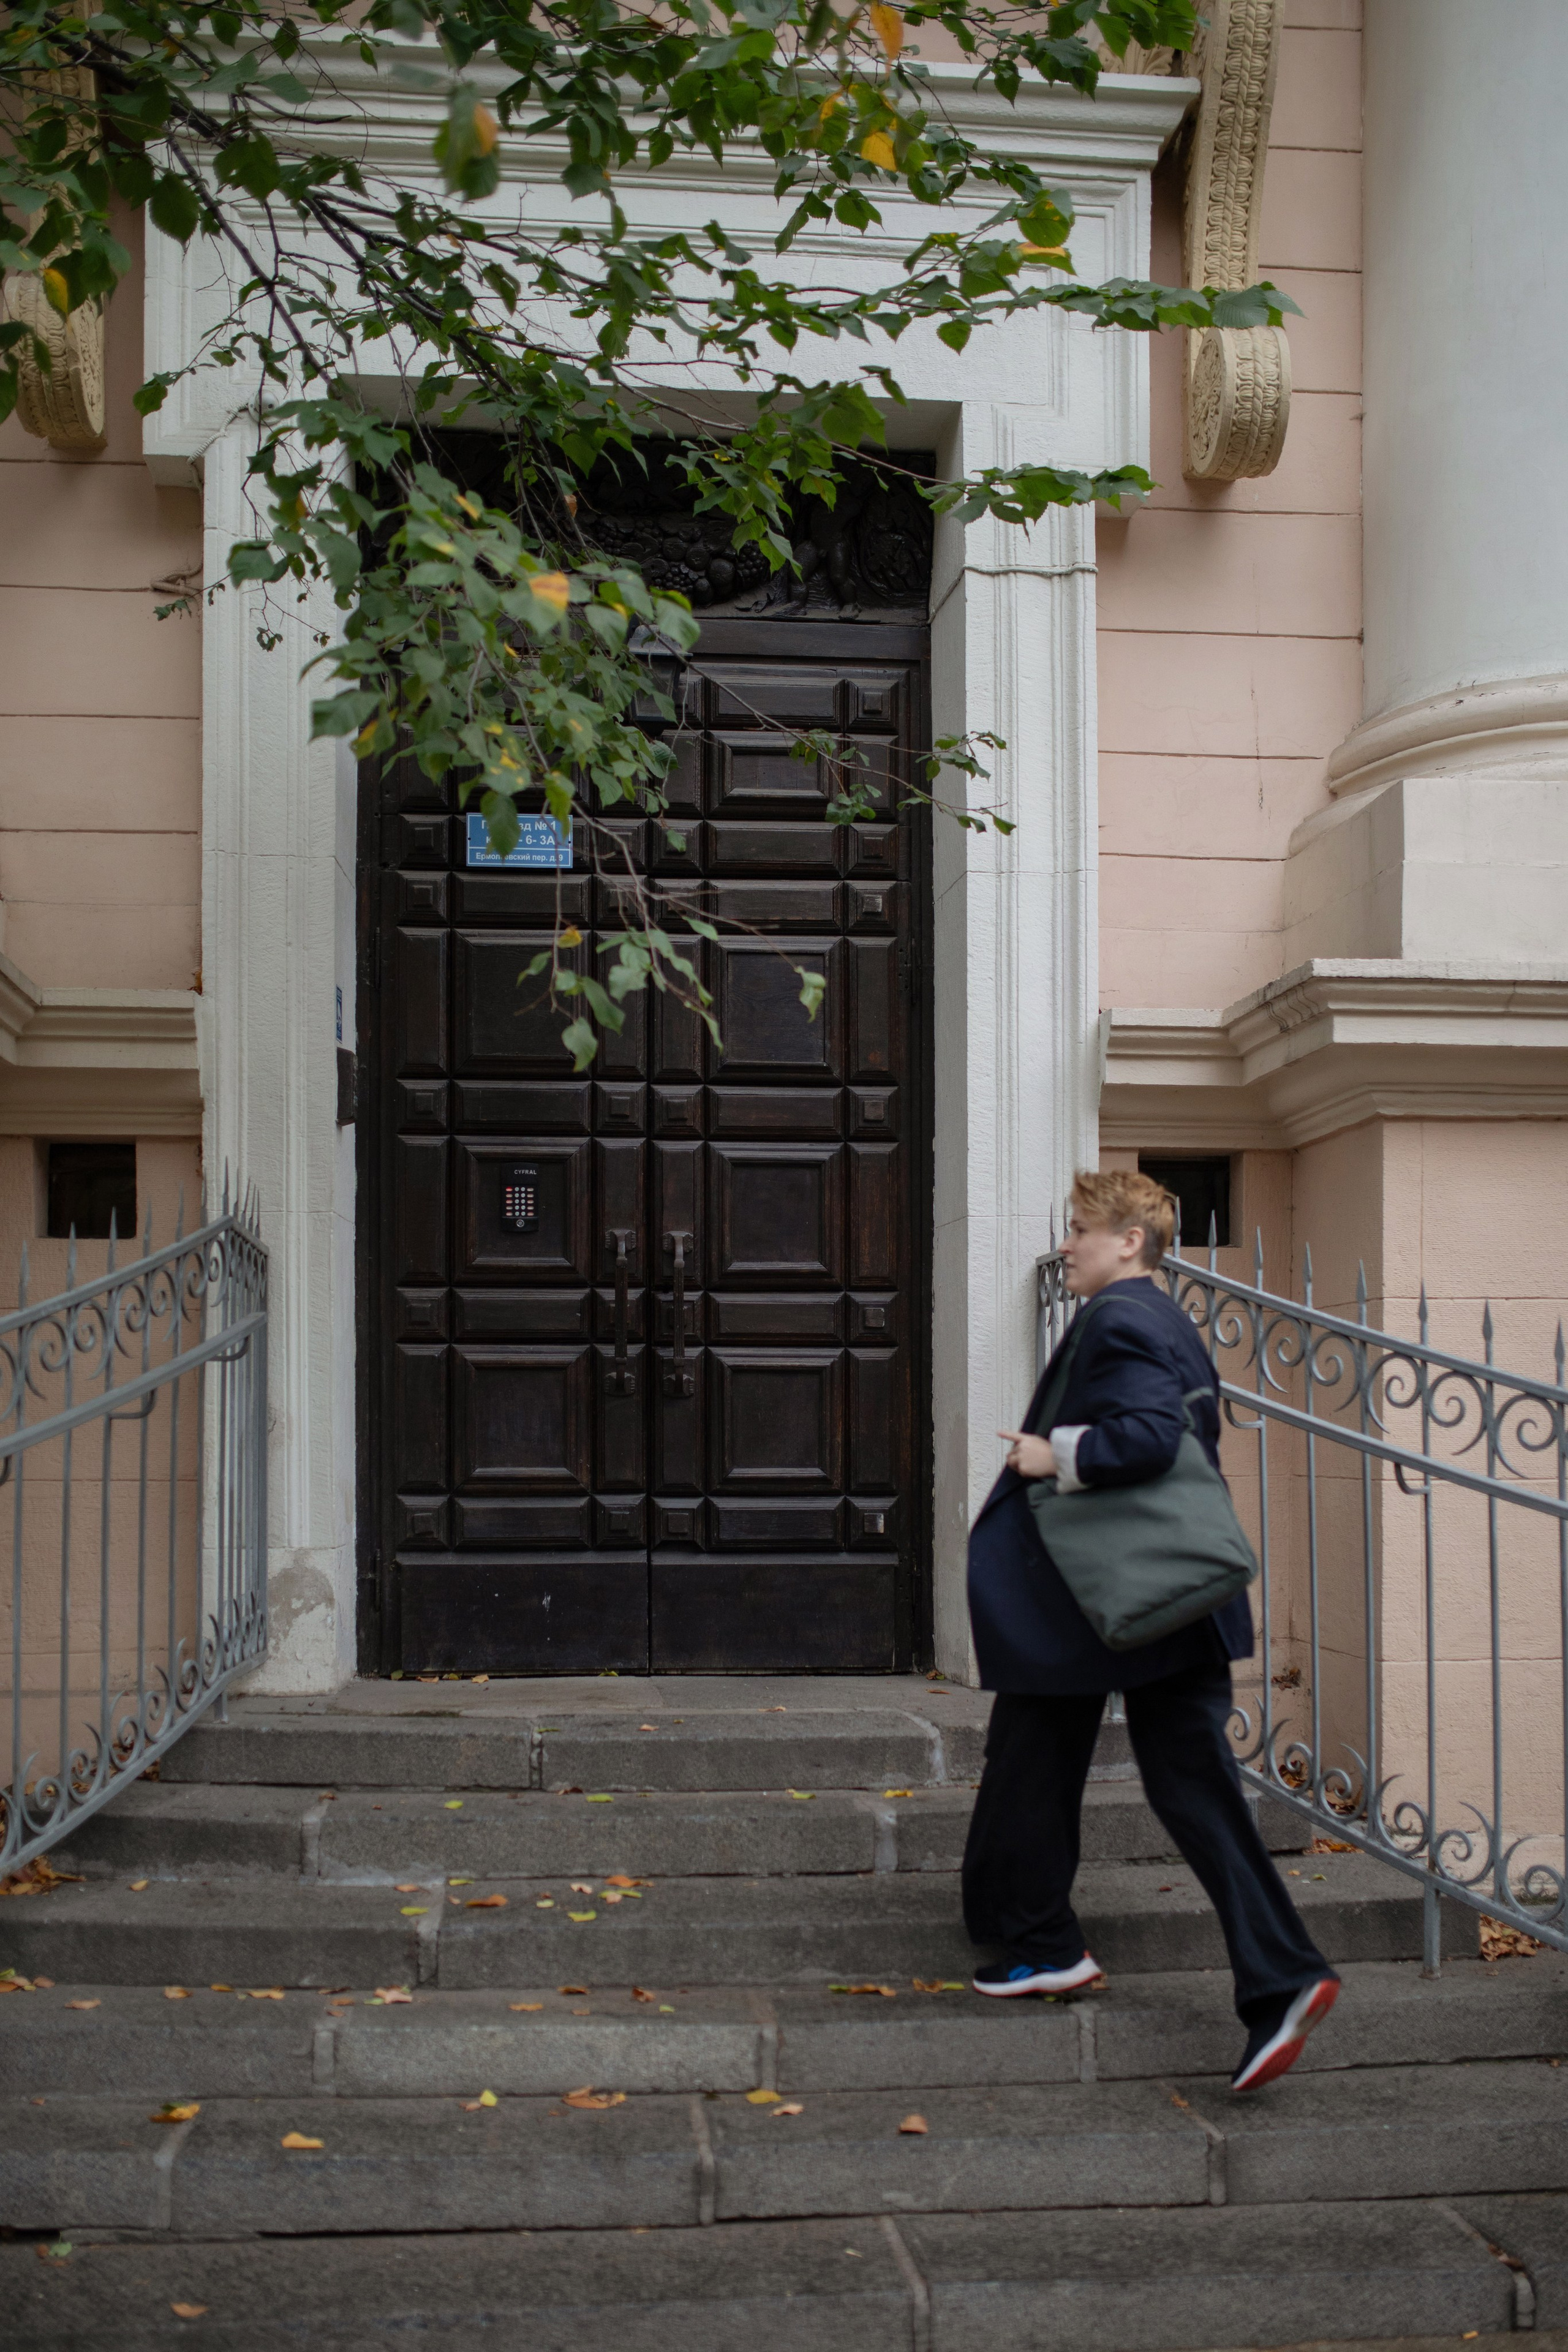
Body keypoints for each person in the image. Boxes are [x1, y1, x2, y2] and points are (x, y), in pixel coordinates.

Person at [963, 1168, 1340, 2093]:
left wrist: (1059, 1454)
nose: (1067, 1245)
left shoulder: (1121, 1318)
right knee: (1103, 1766)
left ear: (1130, 1239)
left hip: (1129, 1604)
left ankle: (1044, 1944)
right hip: (1158, 1604)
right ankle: (1058, 1945)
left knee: (1049, 1756)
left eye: (1082, 1229)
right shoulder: (1168, 1319)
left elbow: (1145, 1440)